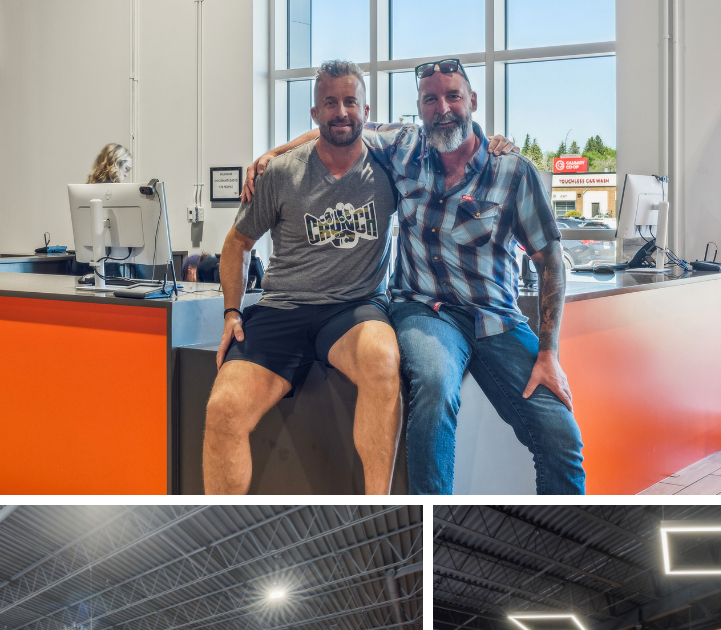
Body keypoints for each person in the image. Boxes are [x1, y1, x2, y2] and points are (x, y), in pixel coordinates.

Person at [245, 60, 585, 495]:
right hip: (424, 310)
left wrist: (549, 353)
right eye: (430, 99)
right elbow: (340, 125)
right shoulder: (403, 148)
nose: (442, 108)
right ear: (420, 109)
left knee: (562, 437)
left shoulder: (513, 172)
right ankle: (430, 523)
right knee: (435, 384)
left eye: (453, 96)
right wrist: (274, 155)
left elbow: (550, 258)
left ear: (473, 102)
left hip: (496, 319)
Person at [203, 60, 402, 495]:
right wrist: (231, 312)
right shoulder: (281, 174)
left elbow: (449, 140)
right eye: (329, 103)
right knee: (223, 409)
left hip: (354, 307)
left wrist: (497, 142)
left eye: (351, 101)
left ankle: (376, 504)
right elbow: (236, 244)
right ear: (315, 114)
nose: (341, 112)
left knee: (382, 360)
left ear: (367, 111)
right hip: (282, 308)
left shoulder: (390, 164)